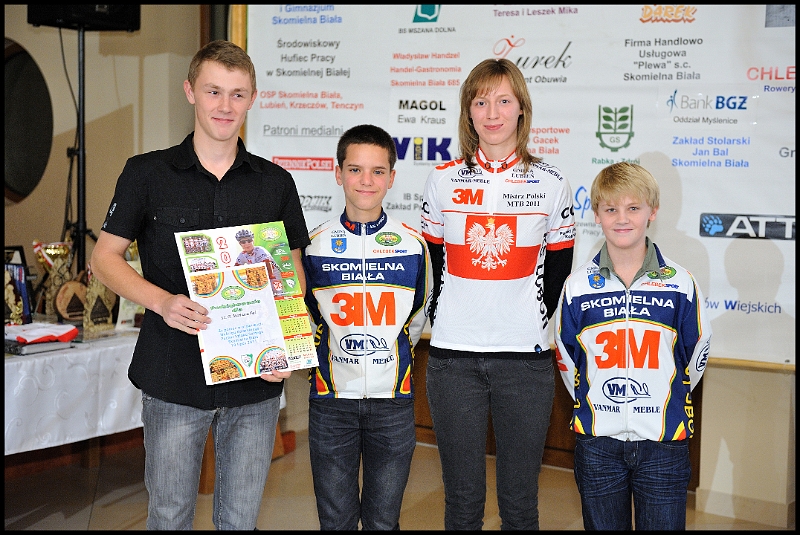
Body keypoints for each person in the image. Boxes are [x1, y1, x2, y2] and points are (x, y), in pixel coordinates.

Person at [90, 40, 310, 530]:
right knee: (169, 517)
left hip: (254, 381)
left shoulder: (276, 183)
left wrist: (285, 347)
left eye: (237, 94)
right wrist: (162, 302)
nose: (225, 106)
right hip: (173, 375)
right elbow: (103, 258)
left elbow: (291, 275)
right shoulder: (146, 173)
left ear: (252, 99)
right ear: (190, 91)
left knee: (240, 520)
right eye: (214, 91)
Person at [419, 58, 576, 530]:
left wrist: (527, 319)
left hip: (524, 362)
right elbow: (434, 266)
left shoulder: (551, 182)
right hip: (453, 360)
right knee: (462, 503)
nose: (492, 113)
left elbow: (559, 270)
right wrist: (450, 316)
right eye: (481, 101)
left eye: (504, 101)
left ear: (521, 108)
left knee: (520, 505)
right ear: (468, 111)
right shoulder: (442, 180)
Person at [554, 162, 712, 530]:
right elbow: (566, 356)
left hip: (663, 443)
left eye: (633, 208)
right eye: (611, 209)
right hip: (598, 443)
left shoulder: (681, 283)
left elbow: (696, 354)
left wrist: (662, 396)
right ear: (597, 215)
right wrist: (599, 403)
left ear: (652, 212)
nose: (622, 218)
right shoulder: (577, 286)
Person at [302, 124, 432, 530]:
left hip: (392, 401)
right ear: (337, 173)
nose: (366, 181)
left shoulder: (413, 245)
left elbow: (416, 317)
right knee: (335, 521)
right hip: (330, 402)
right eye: (355, 169)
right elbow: (307, 316)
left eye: (377, 171)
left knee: (383, 522)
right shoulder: (313, 245)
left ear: (391, 178)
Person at [234, 228, 283, 294]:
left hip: (273, 274)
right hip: (262, 275)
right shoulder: (242, 255)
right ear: (240, 244)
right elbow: (235, 268)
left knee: (278, 293)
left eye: (249, 240)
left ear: (253, 241)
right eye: (243, 242)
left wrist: (269, 278)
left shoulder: (260, 250)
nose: (247, 243)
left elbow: (268, 264)